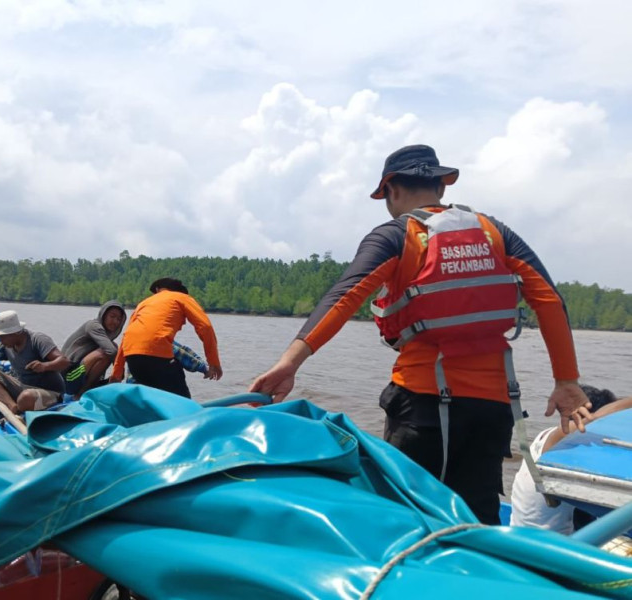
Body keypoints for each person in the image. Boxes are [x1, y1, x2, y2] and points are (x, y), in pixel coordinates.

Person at [249, 144, 591, 525]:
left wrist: (289, 363)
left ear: (392, 189)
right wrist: (566, 380)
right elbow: (550, 302)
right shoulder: (496, 232)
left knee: (404, 518)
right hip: (494, 408)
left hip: (423, 404)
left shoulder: (397, 235)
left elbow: (343, 298)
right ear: (441, 188)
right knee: (476, 518)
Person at [510, 385, 632, 534]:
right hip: (551, 548)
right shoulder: (559, 438)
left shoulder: (547, 438)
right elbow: (596, 418)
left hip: (519, 531)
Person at [110, 277, 223, 398]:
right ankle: (185, 413)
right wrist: (213, 362)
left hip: (133, 359)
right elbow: (205, 326)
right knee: (180, 398)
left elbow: (127, 337)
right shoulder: (182, 297)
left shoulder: (143, 304)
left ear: (159, 289)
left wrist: (116, 373)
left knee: (149, 394)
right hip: (158, 357)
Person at [61, 301, 126, 398]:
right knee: (105, 352)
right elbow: (111, 352)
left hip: (81, 376)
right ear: (103, 315)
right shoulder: (93, 326)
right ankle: (81, 394)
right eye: (112, 316)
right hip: (68, 378)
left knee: (113, 347)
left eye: (119, 319)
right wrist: (119, 374)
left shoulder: (107, 337)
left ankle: (90, 388)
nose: (115, 322)